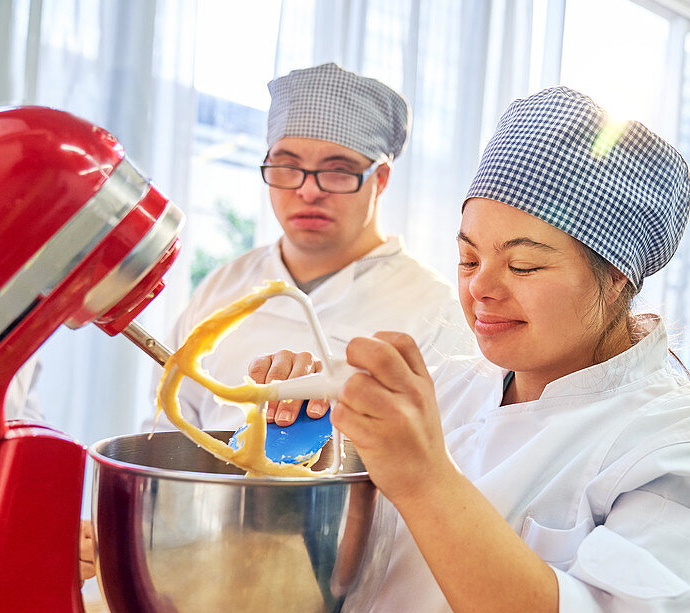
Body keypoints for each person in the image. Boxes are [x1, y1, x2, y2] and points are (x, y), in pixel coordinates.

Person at [250, 87, 690, 613]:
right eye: (469, 256)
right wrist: (305, 452)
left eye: (525, 264)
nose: (480, 287)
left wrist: (424, 478)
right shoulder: (450, 389)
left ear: (617, 276)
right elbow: (335, 570)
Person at [150, 62, 473, 431]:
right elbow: (167, 427)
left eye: (336, 170)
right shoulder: (222, 288)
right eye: (287, 166)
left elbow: (446, 458)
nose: (307, 190)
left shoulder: (435, 310)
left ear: (380, 179)